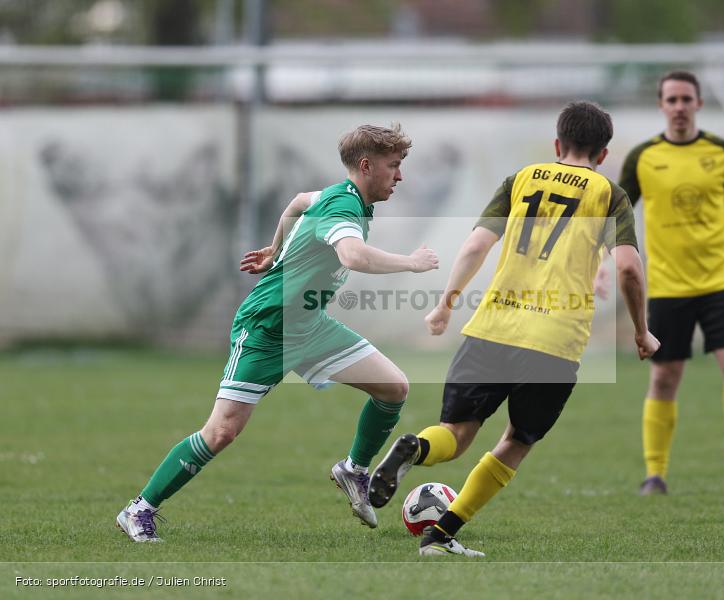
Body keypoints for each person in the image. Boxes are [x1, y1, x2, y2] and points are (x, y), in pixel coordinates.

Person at [116, 123, 439, 542]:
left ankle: (354, 470)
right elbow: (353, 255)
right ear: (366, 166)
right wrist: (411, 262)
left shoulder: (343, 198)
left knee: (394, 388)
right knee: (221, 432)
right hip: (267, 327)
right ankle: (139, 509)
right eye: (394, 166)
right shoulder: (342, 208)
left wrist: (274, 250)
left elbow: (298, 202)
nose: (400, 176)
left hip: (309, 325)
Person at [367, 101, 659, 557]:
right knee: (516, 441)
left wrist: (446, 305)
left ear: (557, 145)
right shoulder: (609, 194)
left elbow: (476, 244)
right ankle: (440, 537)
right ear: (603, 154)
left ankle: (416, 447)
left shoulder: (521, 180)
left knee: (456, 432)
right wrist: (642, 331)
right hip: (554, 342)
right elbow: (629, 271)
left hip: (491, 327)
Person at [616, 70, 724, 495]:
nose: (679, 107)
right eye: (672, 100)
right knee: (664, 379)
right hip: (665, 286)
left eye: (686, 99)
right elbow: (618, 213)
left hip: (721, 281)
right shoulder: (643, 157)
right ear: (661, 105)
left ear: (699, 103)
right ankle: (655, 474)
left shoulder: (722, 153)